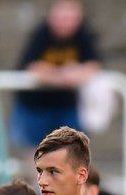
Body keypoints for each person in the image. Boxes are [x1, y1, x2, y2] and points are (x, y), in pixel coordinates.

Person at [10, 0, 101, 149]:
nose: (66, 23)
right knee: (36, 151)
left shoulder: (83, 35)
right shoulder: (41, 34)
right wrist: (60, 76)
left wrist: (76, 73)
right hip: (35, 105)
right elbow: (32, 66)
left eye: (71, 18)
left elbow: (94, 65)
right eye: (63, 17)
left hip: (66, 105)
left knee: (72, 151)